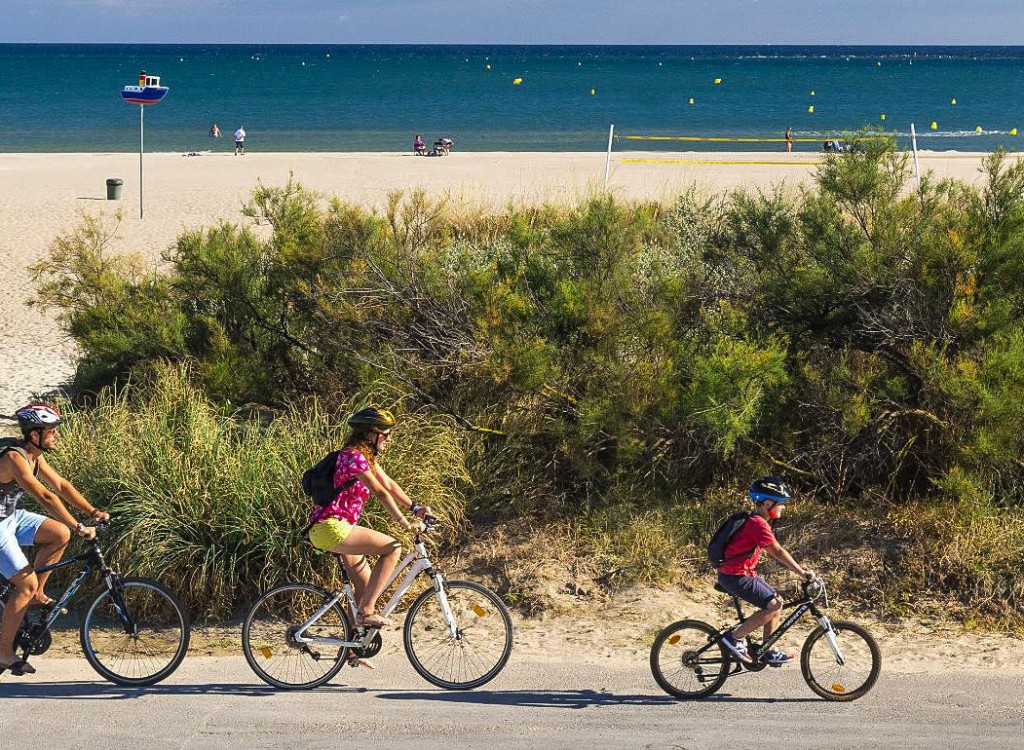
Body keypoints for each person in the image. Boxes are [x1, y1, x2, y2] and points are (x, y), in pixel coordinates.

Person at [0, 404, 108, 676]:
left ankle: (36, 595)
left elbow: (60, 486)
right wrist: (79, 525)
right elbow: (46, 497)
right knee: (24, 584)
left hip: (10, 516)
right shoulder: (14, 458)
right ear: (34, 433)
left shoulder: (35, 455)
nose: (56, 435)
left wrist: (92, 511)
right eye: (51, 431)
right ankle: (3, 652)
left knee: (59, 534)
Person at [305, 407, 430, 631]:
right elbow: (381, 492)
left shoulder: (363, 458)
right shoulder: (354, 458)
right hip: (332, 528)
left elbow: (389, 484)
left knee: (364, 587)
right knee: (393, 549)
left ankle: (353, 648)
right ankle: (368, 613)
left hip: (334, 527)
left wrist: (416, 507)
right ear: (369, 434)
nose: (389, 438)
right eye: (385, 433)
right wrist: (405, 524)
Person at [716, 477, 814, 667]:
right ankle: (734, 638)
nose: (784, 507)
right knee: (774, 605)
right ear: (767, 503)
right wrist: (801, 572)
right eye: (781, 503)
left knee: (777, 601)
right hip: (735, 575)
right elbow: (777, 551)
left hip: (740, 573)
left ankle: (768, 650)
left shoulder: (757, 522)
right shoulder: (757, 524)